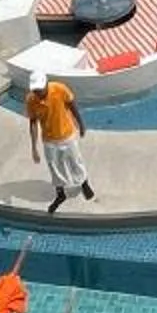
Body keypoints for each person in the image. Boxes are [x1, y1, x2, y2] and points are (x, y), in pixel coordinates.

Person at [26, 71, 92, 212]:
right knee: (55, 167)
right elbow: (33, 123)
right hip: (49, 140)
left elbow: (72, 105)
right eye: (35, 90)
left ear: (46, 83)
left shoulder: (60, 89)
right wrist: (34, 147)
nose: (38, 92)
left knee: (75, 161)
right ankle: (60, 194)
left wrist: (81, 124)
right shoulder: (31, 100)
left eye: (40, 89)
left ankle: (84, 183)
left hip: (67, 134)